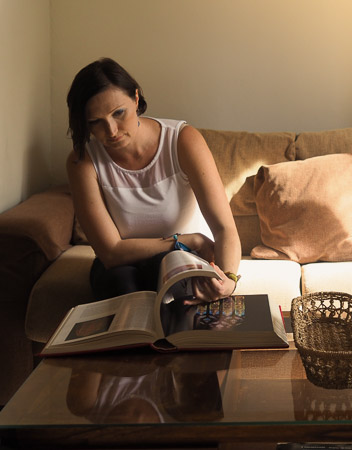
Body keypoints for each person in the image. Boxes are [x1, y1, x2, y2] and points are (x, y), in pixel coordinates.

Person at [66, 57, 241, 303]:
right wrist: (188, 240)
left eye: (118, 113)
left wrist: (229, 280)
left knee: (172, 274)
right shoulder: (83, 161)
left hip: (182, 260)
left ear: (136, 99)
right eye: (96, 122)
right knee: (121, 280)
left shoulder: (182, 140)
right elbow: (111, 252)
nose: (111, 131)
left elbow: (225, 229)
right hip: (121, 266)